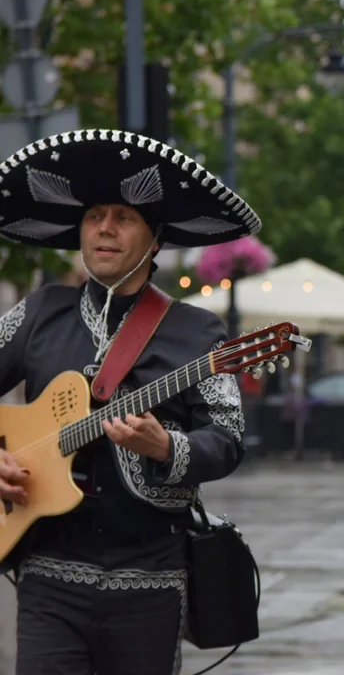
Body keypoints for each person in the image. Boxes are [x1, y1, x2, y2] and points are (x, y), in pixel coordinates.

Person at [0, 130, 257, 674]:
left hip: (151, 582)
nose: (105, 229)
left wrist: (168, 446)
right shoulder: (40, 311)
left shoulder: (199, 335)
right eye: (95, 216)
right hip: (47, 576)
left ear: (156, 236)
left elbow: (228, 440)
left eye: (123, 216)